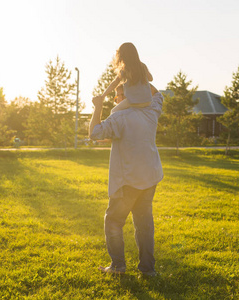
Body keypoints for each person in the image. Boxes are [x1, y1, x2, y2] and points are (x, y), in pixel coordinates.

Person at [89, 42, 164, 276]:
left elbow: (94, 133)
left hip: (128, 182)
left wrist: (98, 105)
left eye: (119, 92)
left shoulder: (119, 119)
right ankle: (148, 270)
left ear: (125, 93)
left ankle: (119, 266)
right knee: (144, 225)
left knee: (113, 221)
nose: (116, 94)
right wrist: (139, 78)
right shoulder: (152, 111)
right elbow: (157, 93)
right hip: (150, 178)